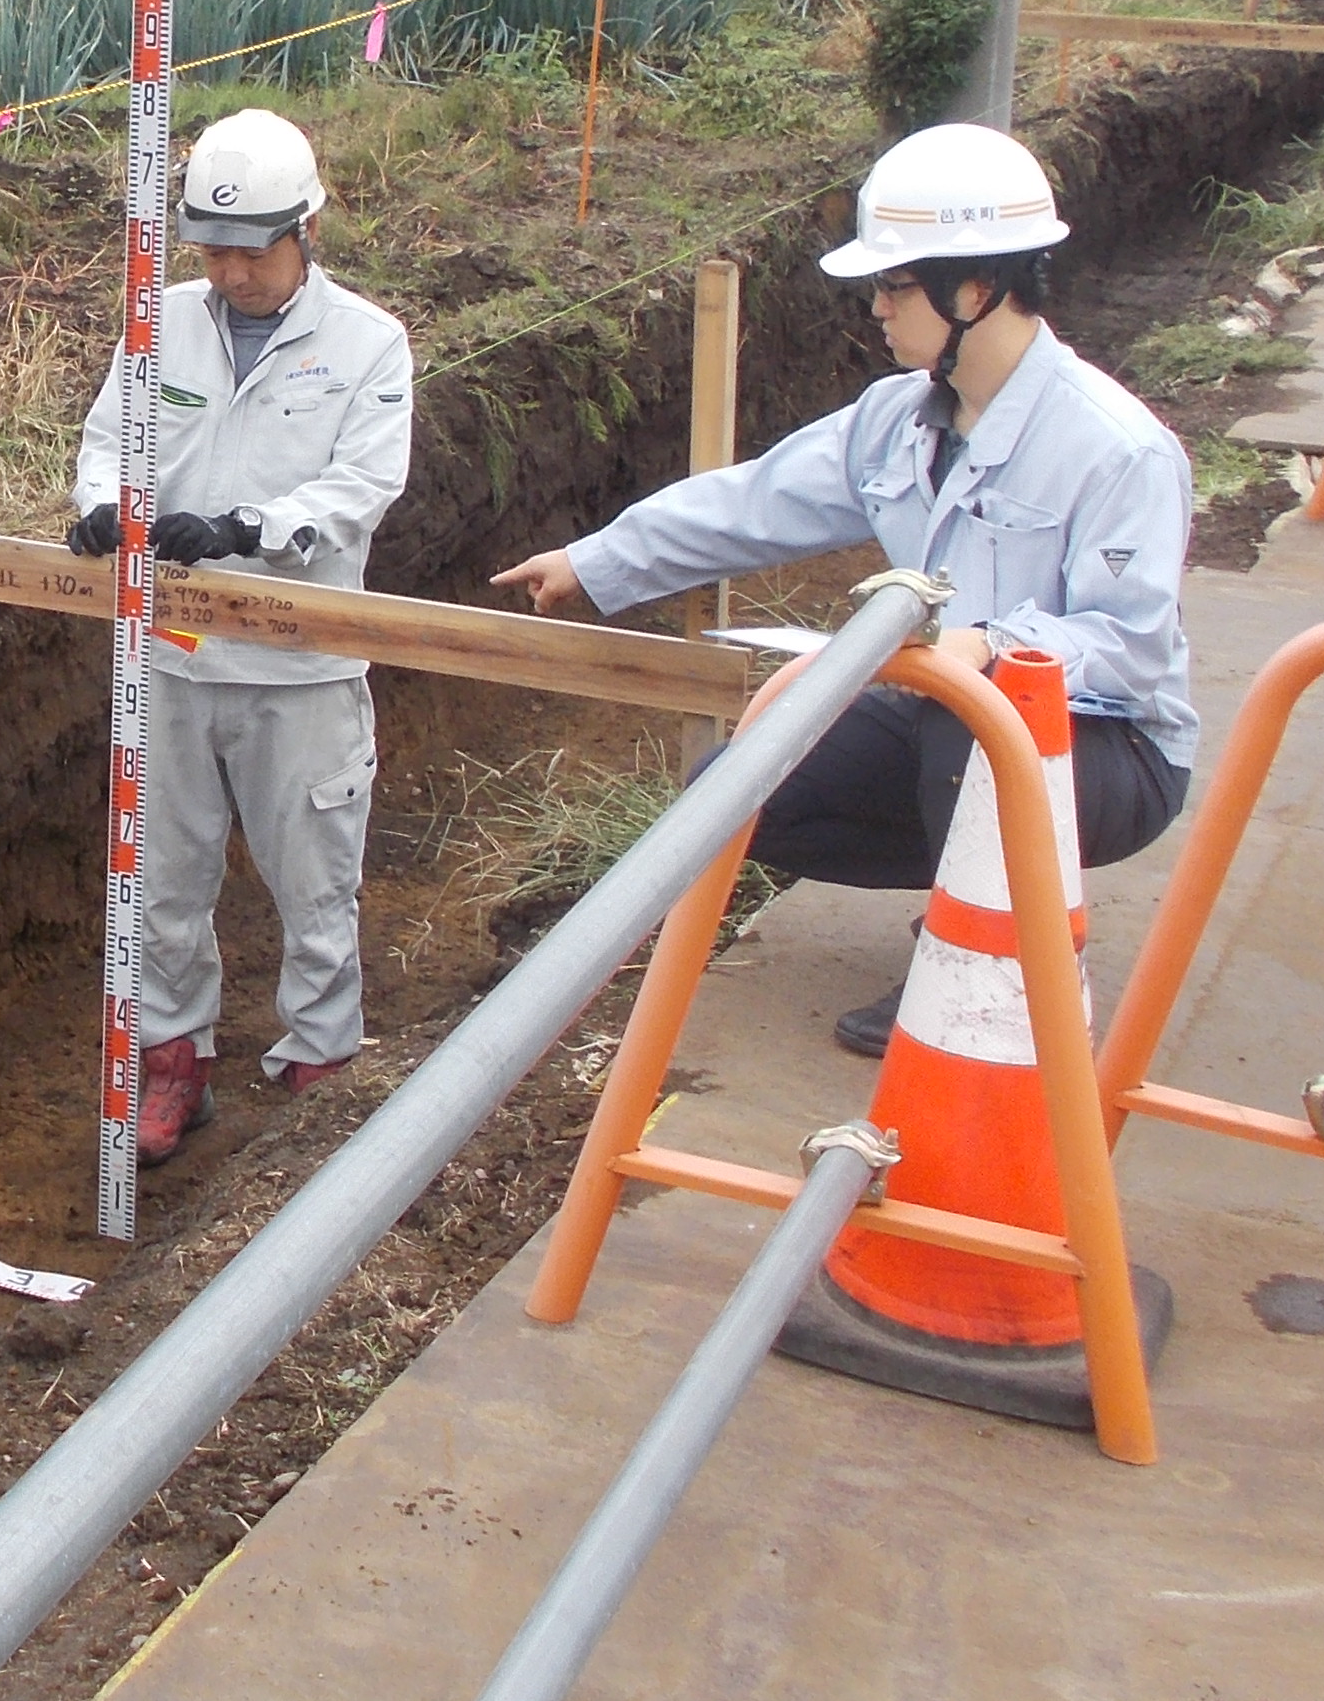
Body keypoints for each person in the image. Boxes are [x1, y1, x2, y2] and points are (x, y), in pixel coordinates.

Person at [487, 123, 1195, 1053]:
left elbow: (1132, 647)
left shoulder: (1116, 448)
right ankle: (979, 889)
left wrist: (987, 645)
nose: (877, 310)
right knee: (740, 788)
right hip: (960, 718)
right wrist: (598, 561)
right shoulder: (898, 421)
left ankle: (1001, 961)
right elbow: (754, 502)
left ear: (974, 288)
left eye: (895, 287)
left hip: (1109, 749)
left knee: (966, 725)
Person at [63, 107, 416, 1158]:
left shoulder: (367, 345)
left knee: (314, 882)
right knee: (163, 877)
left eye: (251, 249)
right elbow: (105, 438)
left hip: (297, 670)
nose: (231, 271)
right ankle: (172, 1065)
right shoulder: (159, 322)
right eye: (213, 249)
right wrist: (99, 506)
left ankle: (322, 1068)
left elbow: (361, 487)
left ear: (308, 226)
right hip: (166, 665)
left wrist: (245, 530)